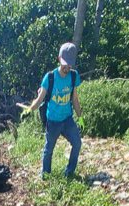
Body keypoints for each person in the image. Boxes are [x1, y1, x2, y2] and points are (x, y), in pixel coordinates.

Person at [18, 42, 83, 178]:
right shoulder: (50, 77)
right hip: (53, 120)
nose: (67, 67)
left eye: (69, 64)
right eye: (65, 63)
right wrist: (29, 110)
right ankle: (45, 175)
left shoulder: (73, 76)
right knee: (49, 150)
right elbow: (40, 99)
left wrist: (80, 116)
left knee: (77, 143)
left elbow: (75, 99)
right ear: (59, 59)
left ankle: (69, 172)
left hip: (67, 119)